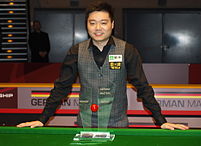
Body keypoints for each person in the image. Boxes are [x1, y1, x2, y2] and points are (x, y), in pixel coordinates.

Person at [17, 2, 189, 130]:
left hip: (118, 126)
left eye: (103, 22)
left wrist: (162, 121)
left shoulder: (127, 50)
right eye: (92, 23)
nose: (98, 28)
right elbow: (62, 87)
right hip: (84, 126)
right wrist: (42, 119)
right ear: (87, 25)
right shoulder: (76, 51)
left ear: (112, 24)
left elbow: (143, 87)